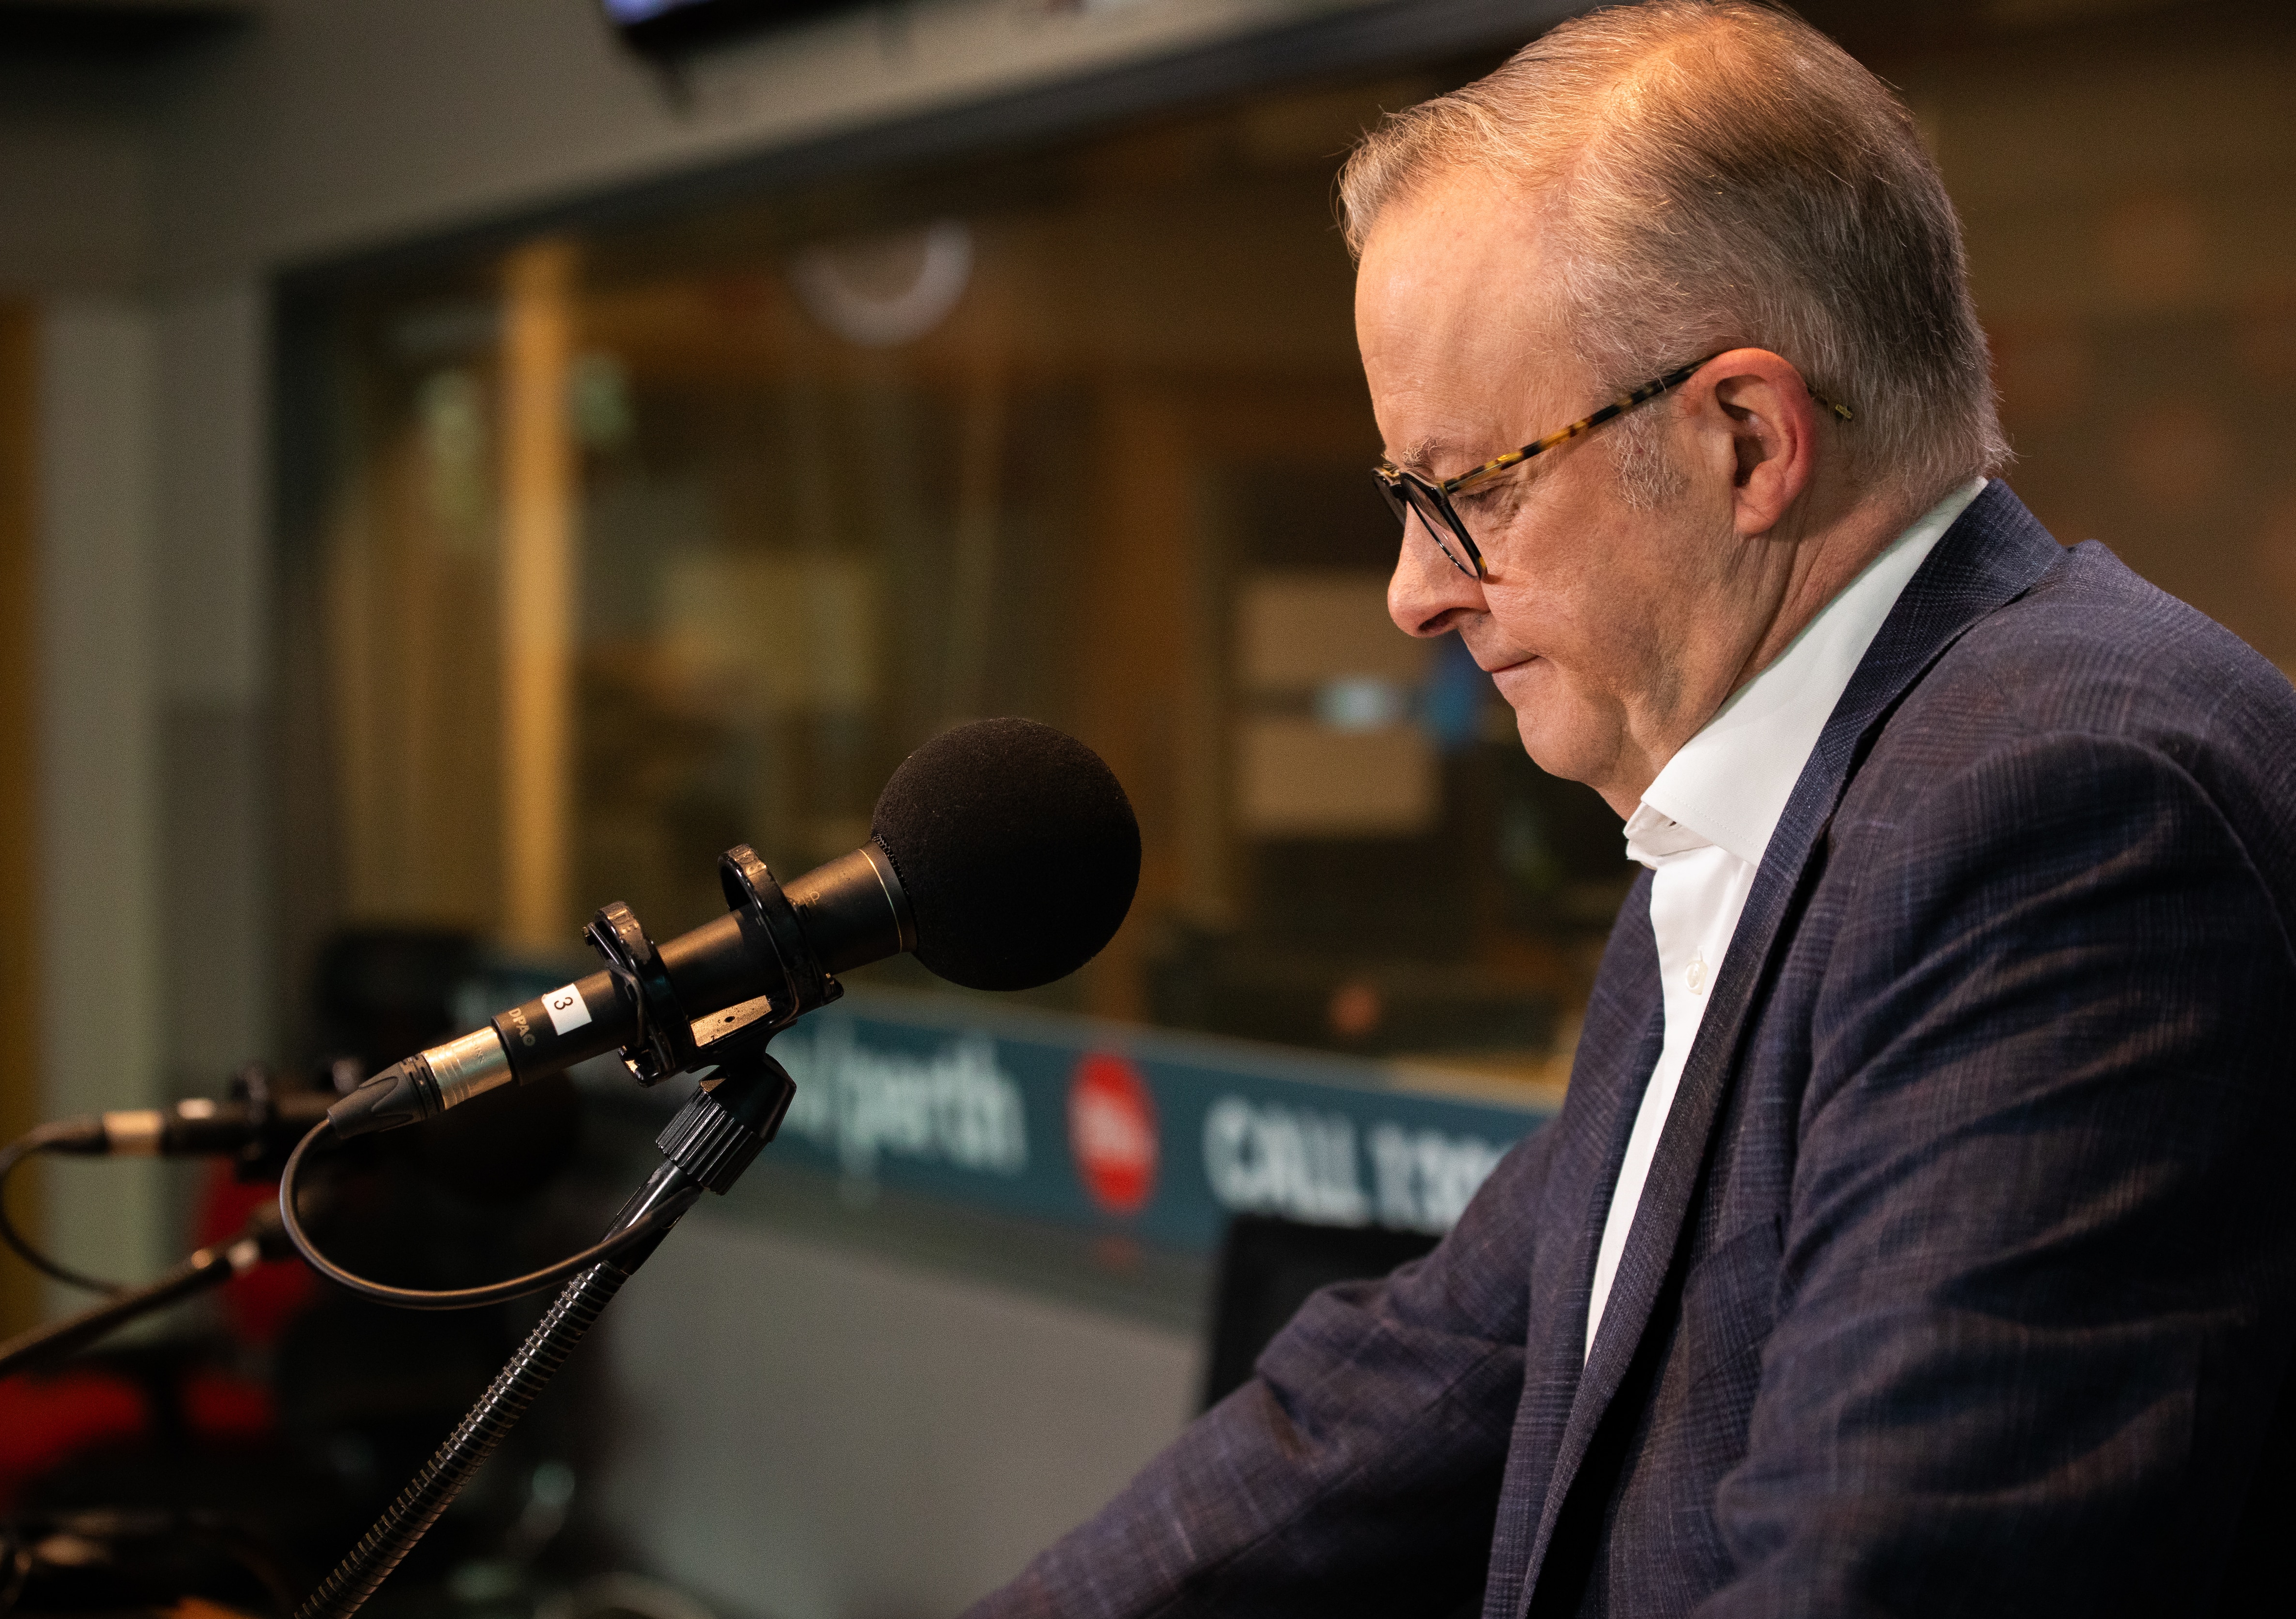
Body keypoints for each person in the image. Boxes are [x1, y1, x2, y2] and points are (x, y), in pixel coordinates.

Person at [962, 3, 2296, 1615]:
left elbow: (1883, 1577)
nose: (1410, 595)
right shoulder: (1781, 806)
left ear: (1747, 441)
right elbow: (1418, 1387)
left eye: (1470, 492)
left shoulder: (2061, 811)